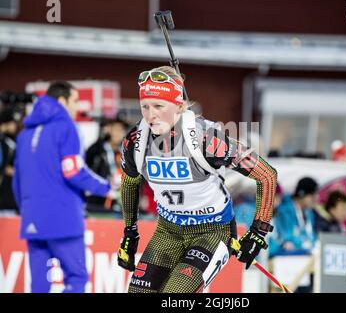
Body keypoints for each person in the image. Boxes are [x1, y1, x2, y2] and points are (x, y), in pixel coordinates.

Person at [117, 66, 278, 293]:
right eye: (145, 106)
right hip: (168, 231)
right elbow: (130, 183)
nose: (150, 115)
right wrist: (129, 233)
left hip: (211, 232)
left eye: (159, 106)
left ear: (179, 107)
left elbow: (267, 175)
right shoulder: (134, 142)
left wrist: (258, 232)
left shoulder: (206, 139)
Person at [12, 81, 111, 293]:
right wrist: (106, 187)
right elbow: (73, 172)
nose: (77, 107)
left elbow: (17, 181)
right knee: (76, 277)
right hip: (63, 217)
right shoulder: (66, 127)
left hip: (32, 218)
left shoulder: (24, 135)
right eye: (75, 101)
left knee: (39, 284)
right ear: (62, 100)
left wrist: (28, 209)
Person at [86, 117, 128, 212]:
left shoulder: (125, 153)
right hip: (96, 202)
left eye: (121, 130)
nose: (118, 133)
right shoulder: (96, 150)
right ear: (108, 130)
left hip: (117, 203)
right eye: (116, 130)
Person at [269, 177, 319, 257]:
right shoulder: (284, 211)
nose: (315, 200)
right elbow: (286, 238)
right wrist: (301, 243)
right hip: (287, 256)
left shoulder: (310, 213)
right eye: (312, 196)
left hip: (304, 255)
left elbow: (312, 237)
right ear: (302, 194)